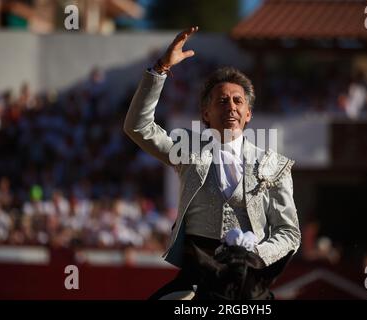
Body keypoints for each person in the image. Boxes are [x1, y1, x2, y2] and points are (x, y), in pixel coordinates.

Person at [124, 27, 301, 299]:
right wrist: (161, 69)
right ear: (206, 113)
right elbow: (138, 126)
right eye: (222, 101)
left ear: (248, 114)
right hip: (197, 279)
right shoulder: (187, 151)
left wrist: (254, 253)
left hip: (248, 281)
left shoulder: (273, 165)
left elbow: (289, 233)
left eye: (237, 101)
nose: (231, 106)